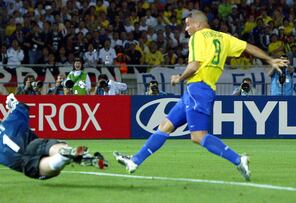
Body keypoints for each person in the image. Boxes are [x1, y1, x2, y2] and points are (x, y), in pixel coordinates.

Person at [113, 10, 289, 181]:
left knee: (198, 136)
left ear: (198, 24)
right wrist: (270, 59)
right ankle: (134, 161)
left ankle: (238, 159)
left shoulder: (197, 37)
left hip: (198, 89)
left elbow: (195, 66)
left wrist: (179, 78)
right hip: (196, 91)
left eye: (188, 25)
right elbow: (247, 47)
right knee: (165, 125)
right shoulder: (224, 37)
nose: (186, 29)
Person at [0, 94, 108, 180]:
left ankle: (61, 159)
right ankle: (65, 151)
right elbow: (23, 107)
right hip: (33, 143)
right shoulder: (10, 120)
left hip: (22, 161)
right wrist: (13, 103)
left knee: (48, 170)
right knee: (51, 146)